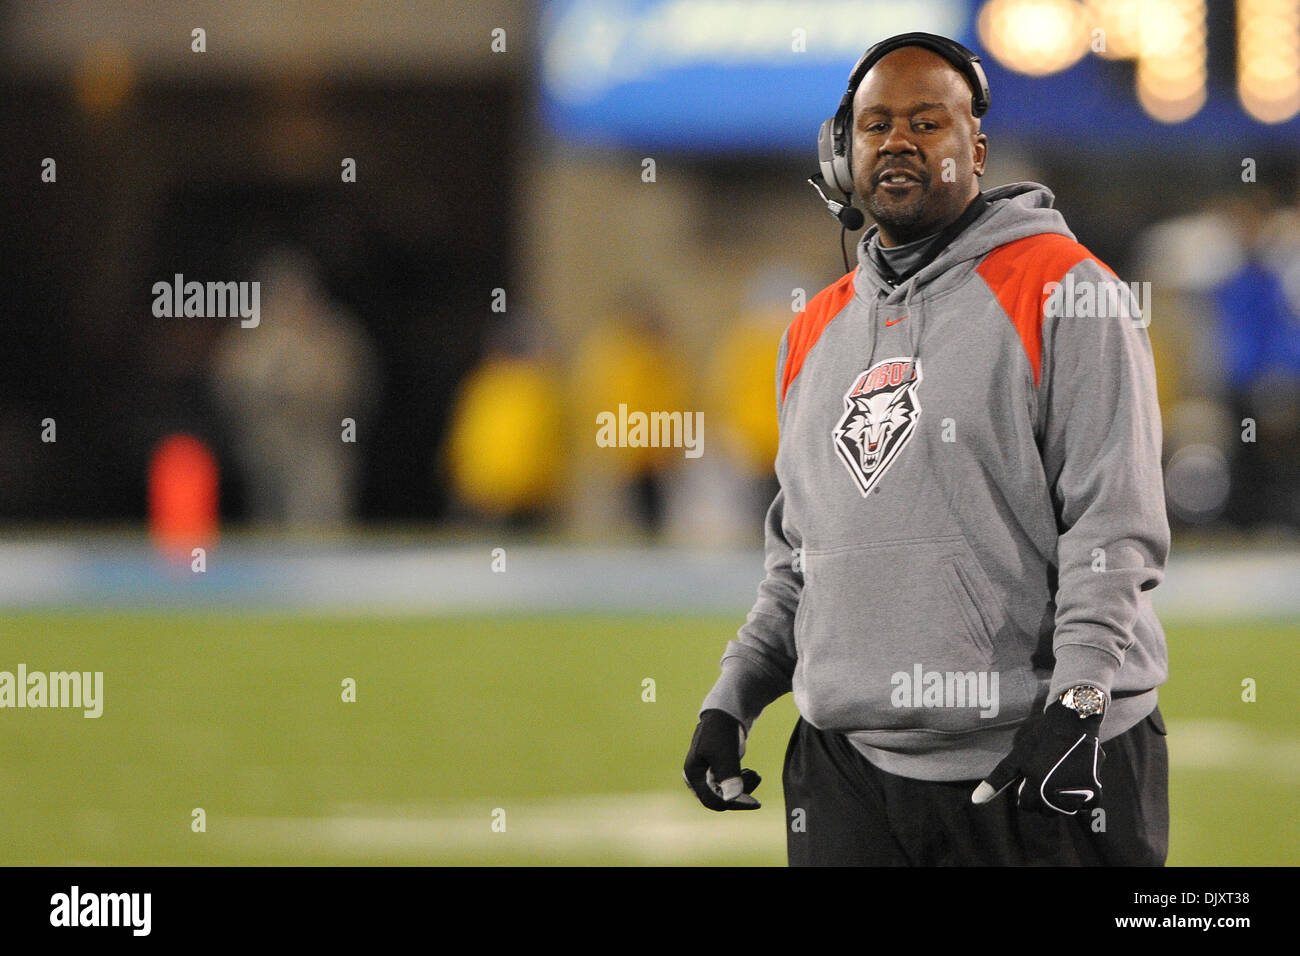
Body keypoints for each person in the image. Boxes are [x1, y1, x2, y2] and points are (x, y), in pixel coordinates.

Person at [683, 33, 1170, 866]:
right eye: (875, 125)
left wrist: (1079, 701)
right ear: (843, 155)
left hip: (1035, 755)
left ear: (974, 149)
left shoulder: (1069, 288)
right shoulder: (811, 329)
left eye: (926, 122)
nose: (898, 142)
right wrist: (734, 696)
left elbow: (1112, 525)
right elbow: (801, 555)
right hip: (850, 773)